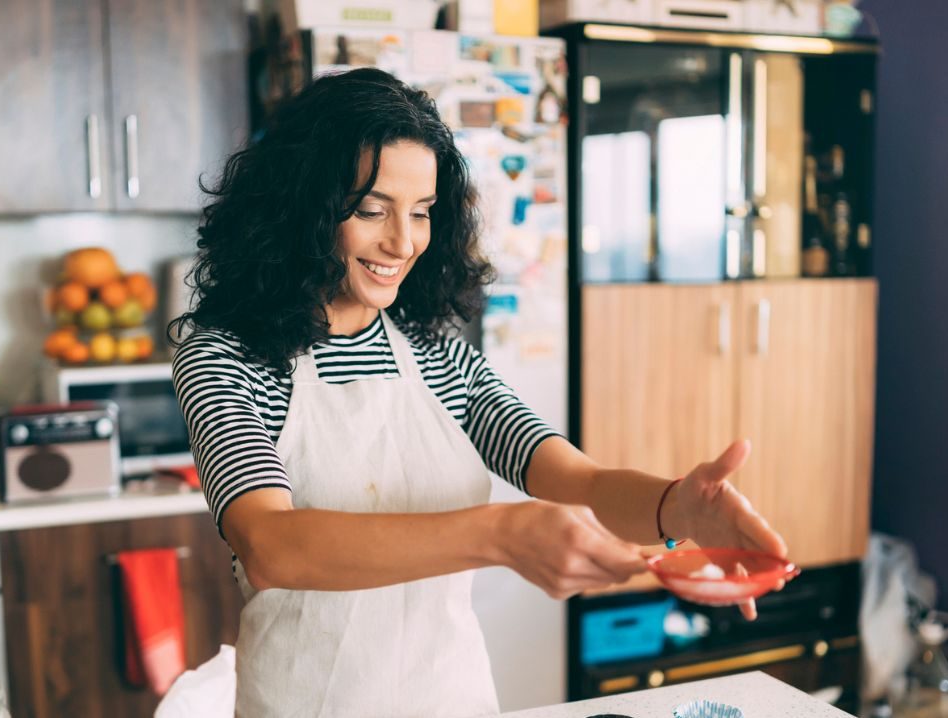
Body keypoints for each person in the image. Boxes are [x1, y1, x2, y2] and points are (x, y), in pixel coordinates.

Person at [170, 67, 788, 718]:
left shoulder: (437, 357)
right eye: (372, 209)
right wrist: (500, 533)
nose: (402, 242)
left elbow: (579, 480)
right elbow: (273, 546)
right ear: (304, 207)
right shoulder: (227, 359)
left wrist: (675, 509)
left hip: (453, 701)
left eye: (422, 212)